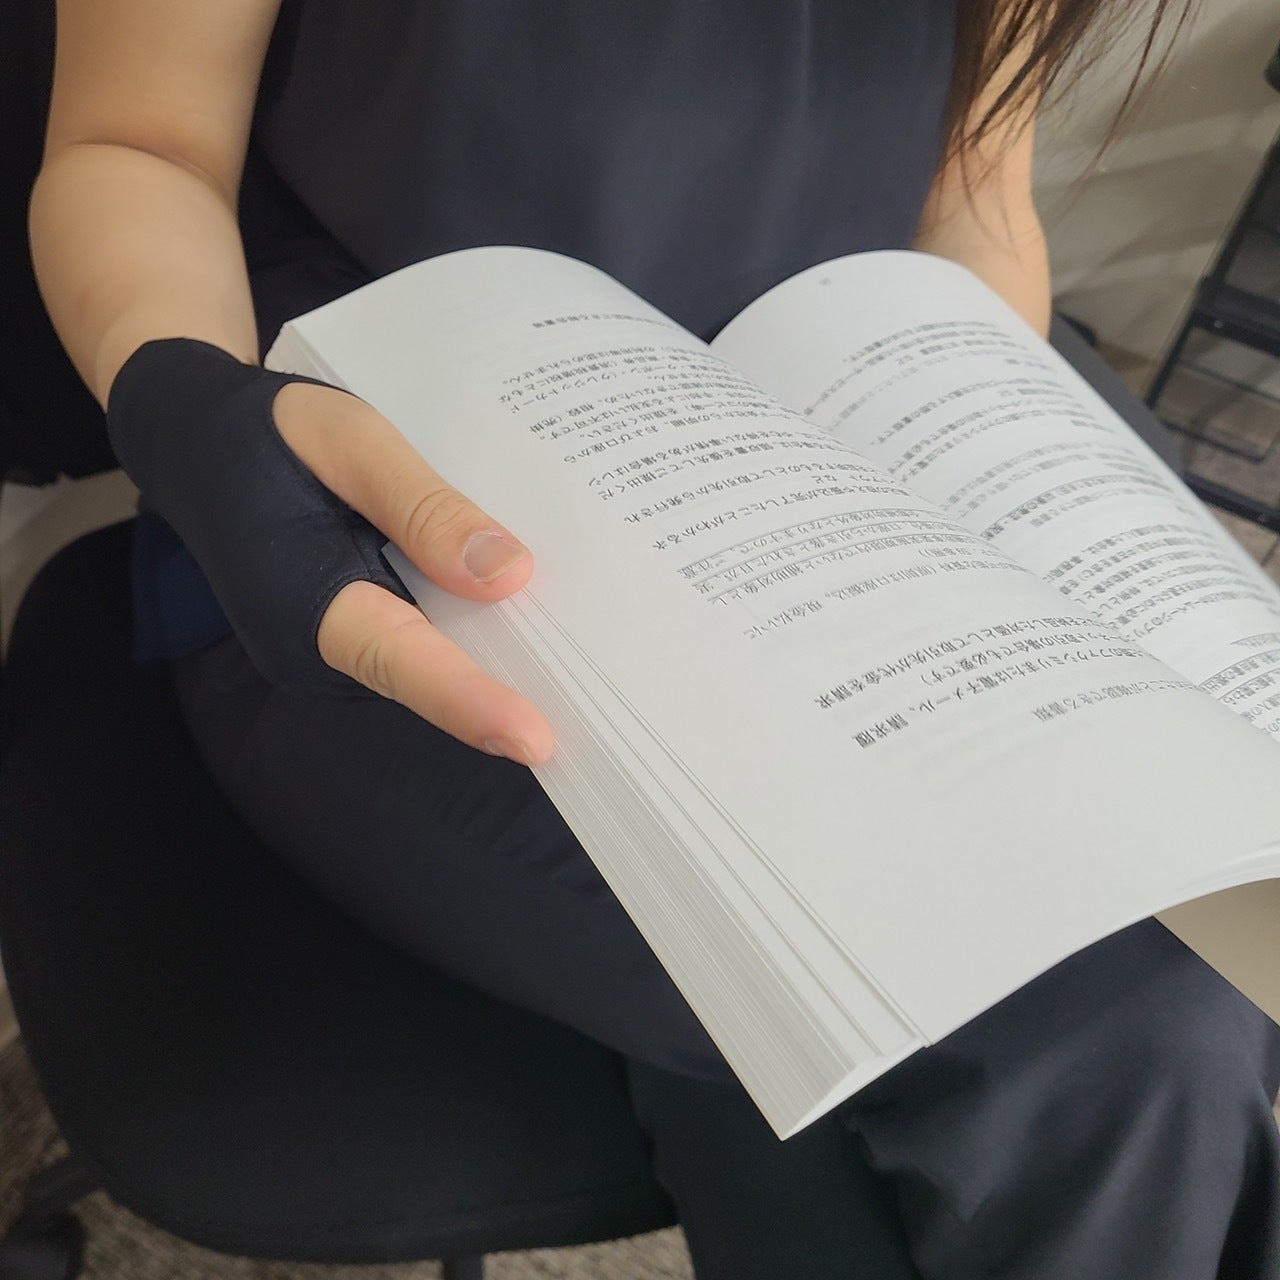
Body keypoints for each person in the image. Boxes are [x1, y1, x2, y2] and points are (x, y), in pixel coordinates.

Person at [29, 2, 1280, 1276]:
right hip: (375, 529)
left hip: (806, 473)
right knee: (1114, 1010)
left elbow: (971, 192)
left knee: (1203, 899)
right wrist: (188, 402)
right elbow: (140, 143)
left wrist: (964, 439)